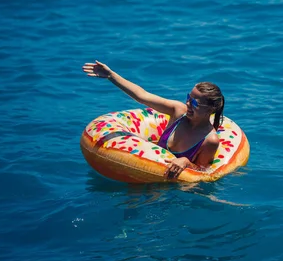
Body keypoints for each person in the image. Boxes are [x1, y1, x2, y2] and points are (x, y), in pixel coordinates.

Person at [83, 60, 224, 180]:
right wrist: (110, 75)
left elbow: (203, 173)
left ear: (210, 109)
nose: (187, 104)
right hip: (143, 173)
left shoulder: (209, 140)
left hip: (171, 186)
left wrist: (186, 162)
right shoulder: (178, 111)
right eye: (188, 98)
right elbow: (142, 96)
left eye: (194, 103)